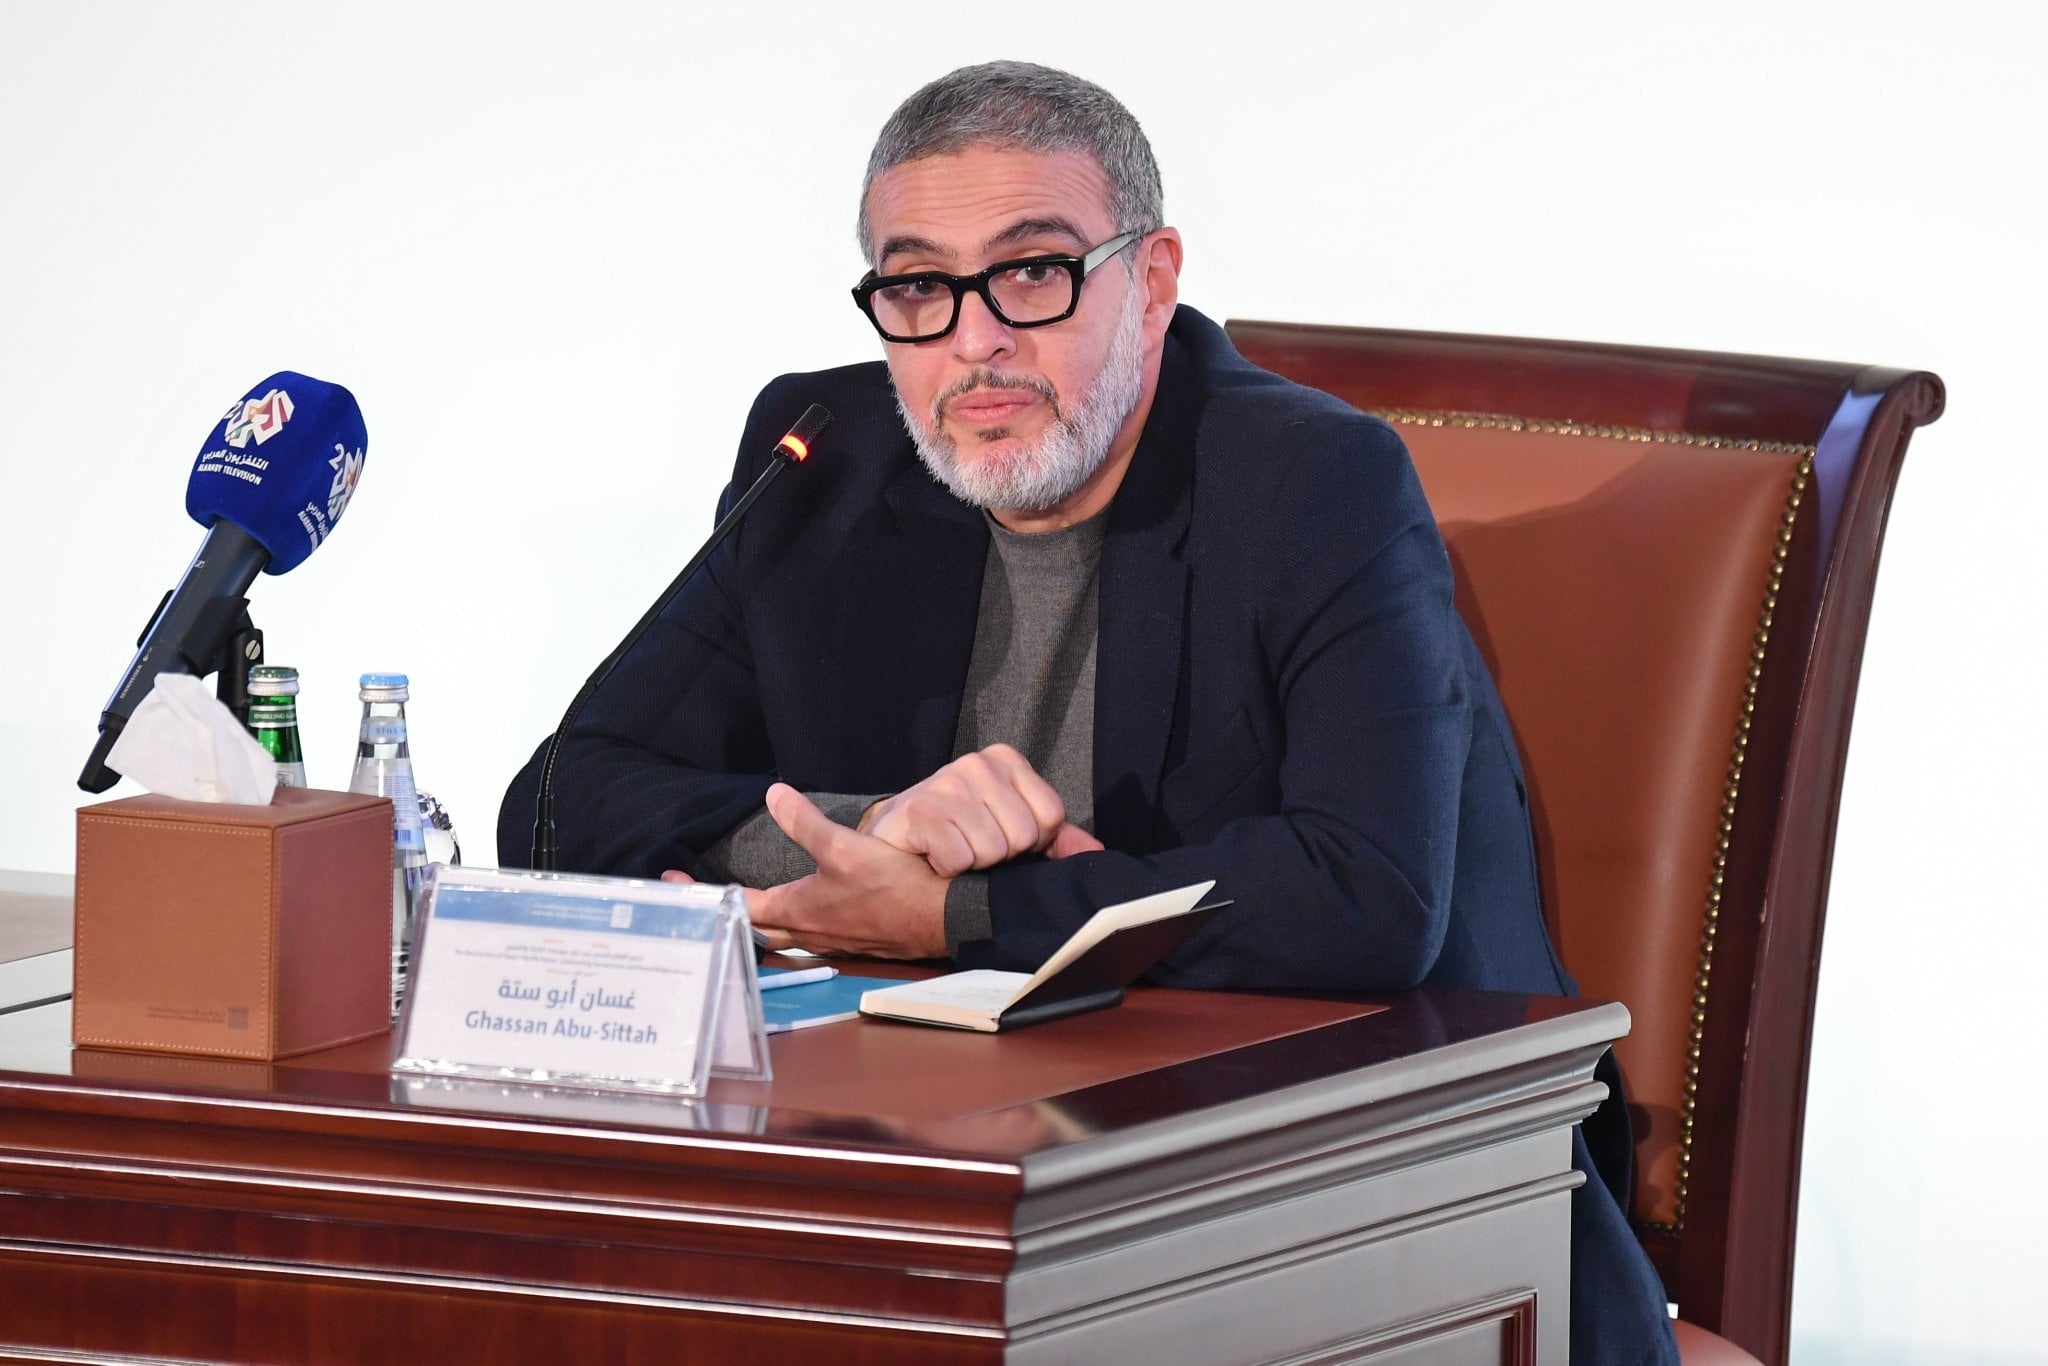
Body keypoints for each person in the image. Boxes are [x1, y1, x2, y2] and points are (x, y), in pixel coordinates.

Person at [500, 60, 1677, 1364]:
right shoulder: (826, 455)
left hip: (1385, 1197)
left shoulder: (1315, 481)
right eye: (918, 286)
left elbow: (1367, 894)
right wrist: (864, 837)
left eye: (1032, 272)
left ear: (1152, 280)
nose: (975, 340)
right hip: (960, 1180)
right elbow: (560, 797)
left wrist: (955, 909)